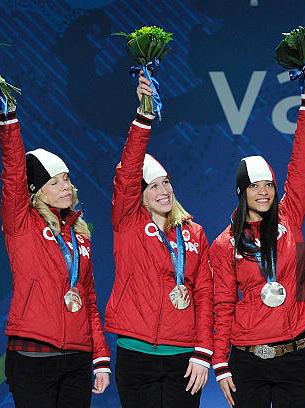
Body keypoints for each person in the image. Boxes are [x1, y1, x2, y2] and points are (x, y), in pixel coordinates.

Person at [0, 77, 110, 408]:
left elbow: (88, 299)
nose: (65, 186)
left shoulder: (79, 234)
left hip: (78, 356)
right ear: (36, 192)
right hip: (33, 352)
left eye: (67, 179)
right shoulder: (21, 222)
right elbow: (13, 174)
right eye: (54, 182)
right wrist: (8, 117)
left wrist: (100, 356)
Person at [210, 69, 305, 408]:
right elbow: (222, 304)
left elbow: (301, 165)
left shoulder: (289, 217)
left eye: (268, 185)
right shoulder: (224, 244)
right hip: (249, 359)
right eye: (254, 186)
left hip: (295, 353)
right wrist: (220, 363)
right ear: (240, 192)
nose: (263, 192)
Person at [104, 73, 213, 408]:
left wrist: (203, 352)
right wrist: (144, 116)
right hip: (136, 353)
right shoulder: (127, 223)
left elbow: (206, 294)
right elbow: (126, 173)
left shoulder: (193, 233)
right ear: (139, 195)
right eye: (153, 186)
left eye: (166, 183)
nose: (164, 191)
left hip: (184, 355)